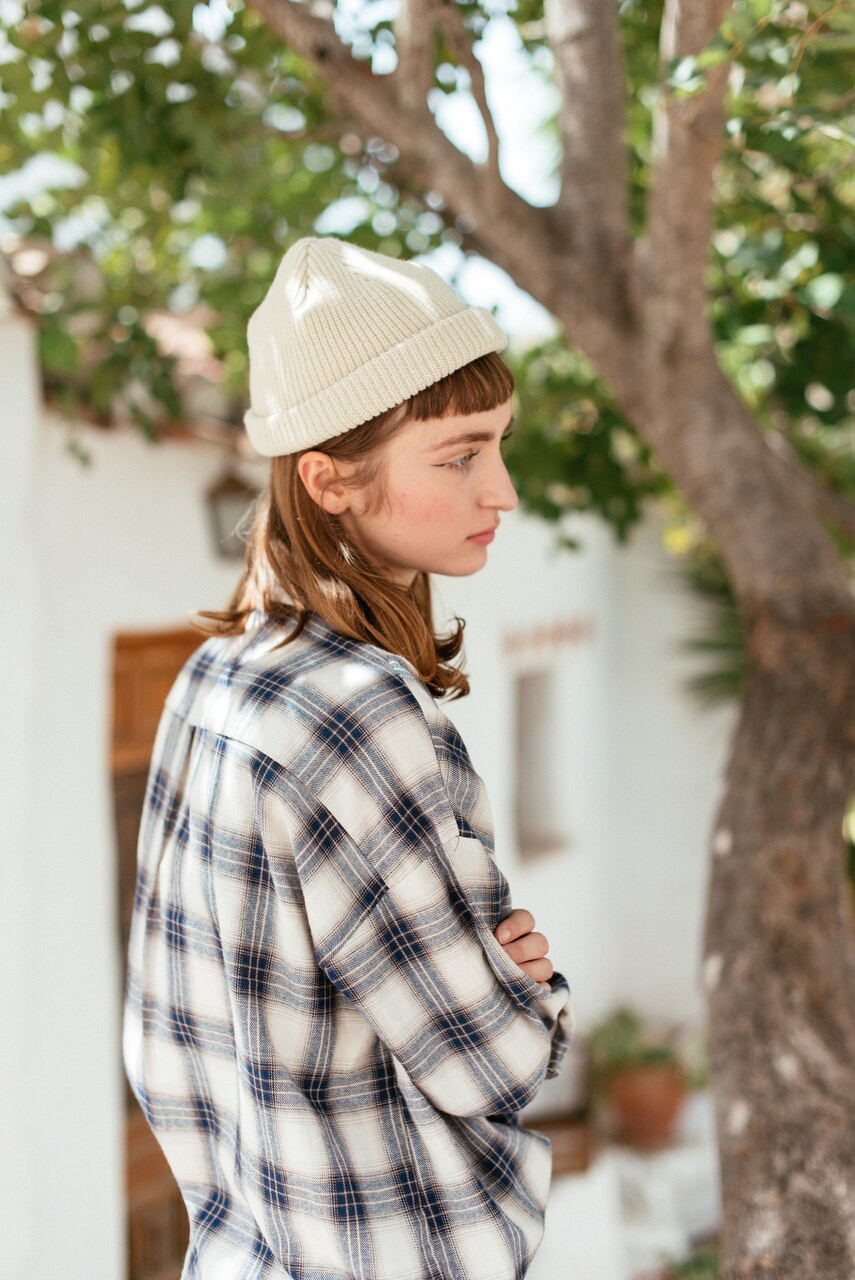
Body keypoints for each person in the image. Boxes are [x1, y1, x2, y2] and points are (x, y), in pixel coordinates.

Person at [123, 235, 575, 1280]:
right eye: (459, 456)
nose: (500, 490)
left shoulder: (212, 678)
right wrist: (533, 994)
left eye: (499, 444)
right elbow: (491, 1055)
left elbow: (167, 1047)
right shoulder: (357, 713)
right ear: (327, 478)